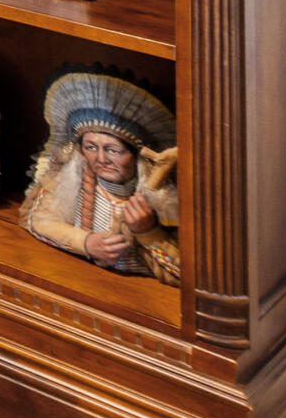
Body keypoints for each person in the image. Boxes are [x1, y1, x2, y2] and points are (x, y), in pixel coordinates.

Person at [24, 71, 178, 280]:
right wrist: (86, 243)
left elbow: (184, 273)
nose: (101, 158)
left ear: (136, 156)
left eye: (114, 150)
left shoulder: (163, 198)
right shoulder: (69, 179)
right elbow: (38, 220)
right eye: (90, 147)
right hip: (81, 278)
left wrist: (148, 232)